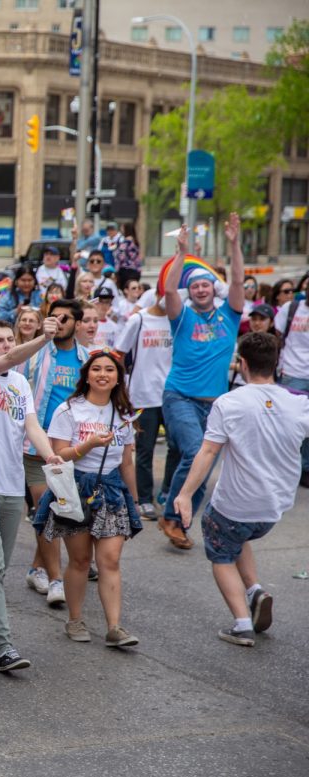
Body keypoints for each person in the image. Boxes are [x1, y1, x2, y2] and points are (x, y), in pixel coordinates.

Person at [174, 332, 309, 646]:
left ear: (243, 364)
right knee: (237, 534)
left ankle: (241, 623)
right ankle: (254, 591)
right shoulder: (299, 403)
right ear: (277, 363)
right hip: (274, 508)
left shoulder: (229, 402)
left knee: (221, 548)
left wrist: (184, 494)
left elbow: (207, 452)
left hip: (235, 504)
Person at [0, 317, 62, 671]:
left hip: (10, 487)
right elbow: (7, 360)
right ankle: (5, 646)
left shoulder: (21, 382)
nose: (5, 346)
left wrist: (48, 452)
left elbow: (31, 425)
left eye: (9, 340)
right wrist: (42, 339)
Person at [35, 350, 143, 648]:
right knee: (81, 560)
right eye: (96, 369)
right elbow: (58, 455)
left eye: (110, 370)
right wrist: (88, 444)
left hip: (111, 490)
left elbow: (127, 462)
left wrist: (134, 499)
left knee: (110, 559)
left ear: (118, 377)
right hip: (76, 488)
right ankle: (75, 619)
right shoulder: (69, 409)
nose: (103, 374)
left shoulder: (124, 414)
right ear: (86, 375)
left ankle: (114, 627)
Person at [159, 217, 245, 550]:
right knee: (196, 453)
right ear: (190, 291)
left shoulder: (230, 315)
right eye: (194, 286)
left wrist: (234, 244)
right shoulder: (182, 317)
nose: (200, 289)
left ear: (213, 288)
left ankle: (179, 518)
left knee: (201, 462)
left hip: (216, 403)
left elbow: (238, 279)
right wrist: (182, 252)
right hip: (179, 396)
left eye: (205, 284)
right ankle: (172, 514)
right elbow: (168, 289)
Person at [22, 298, 88, 605]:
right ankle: (56, 578)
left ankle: (37, 567)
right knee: (47, 509)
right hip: (35, 447)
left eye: (65, 318)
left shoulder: (87, 359)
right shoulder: (34, 353)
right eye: (53, 317)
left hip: (70, 448)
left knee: (55, 510)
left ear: (77, 322)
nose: (58, 322)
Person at [116, 294, 176, 520]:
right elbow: (119, 353)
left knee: (178, 446)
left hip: (172, 395)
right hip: (142, 396)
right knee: (144, 450)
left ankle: (167, 492)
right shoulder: (138, 320)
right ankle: (144, 499)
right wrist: (121, 388)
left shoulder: (177, 318)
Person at [274, 289, 309, 487]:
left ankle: (305, 468)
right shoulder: (291, 308)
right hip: (292, 375)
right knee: (288, 425)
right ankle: (284, 468)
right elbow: (278, 336)